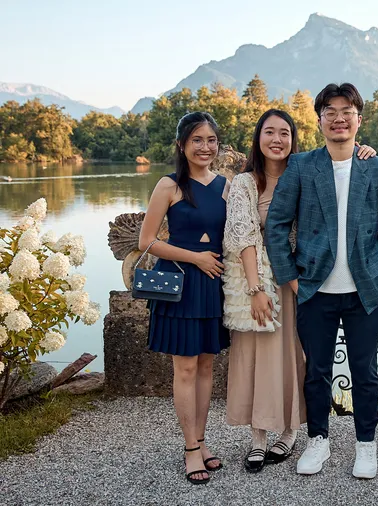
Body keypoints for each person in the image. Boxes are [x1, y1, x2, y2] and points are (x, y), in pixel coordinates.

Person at [223, 109, 378, 474]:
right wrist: (256, 287)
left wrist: (361, 149)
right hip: (259, 284)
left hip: (299, 284)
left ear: (294, 139)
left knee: (296, 360)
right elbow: (245, 235)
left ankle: (292, 432)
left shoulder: (306, 170)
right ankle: (258, 438)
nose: (277, 140)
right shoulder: (244, 183)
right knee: (255, 358)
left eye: (284, 133)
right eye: (269, 132)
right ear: (258, 137)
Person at [265, 83, 378, 480]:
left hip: (364, 291)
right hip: (313, 288)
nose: (339, 118)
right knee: (317, 371)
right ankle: (318, 440)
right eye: (330, 111)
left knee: (365, 371)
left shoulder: (377, 166)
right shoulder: (303, 165)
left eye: (347, 111)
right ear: (320, 119)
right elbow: (276, 224)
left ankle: (366, 444)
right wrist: (289, 276)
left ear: (359, 119)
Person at [138, 111, 230, 485]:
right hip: (181, 285)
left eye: (210, 140)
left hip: (214, 286)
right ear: (182, 145)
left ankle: (202, 442)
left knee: (207, 366)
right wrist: (195, 257)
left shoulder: (227, 185)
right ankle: (190, 449)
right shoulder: (169, 185)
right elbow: (146, 242)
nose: (205, 147)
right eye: (197, 140)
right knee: (186, 368)